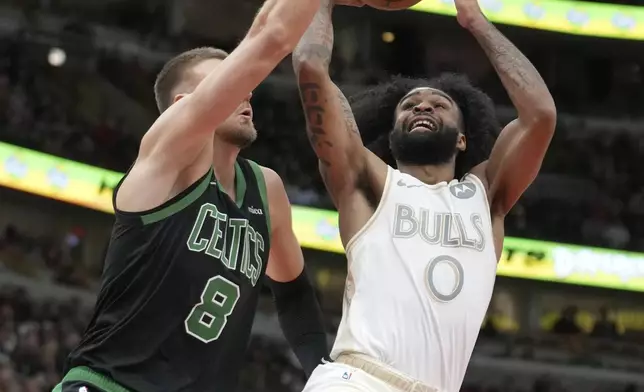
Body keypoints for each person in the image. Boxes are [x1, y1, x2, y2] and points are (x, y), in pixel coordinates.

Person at [53, 0, 329, 391]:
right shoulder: (167, 164)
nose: (247, 91)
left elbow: (295, 293)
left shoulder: (266, 190)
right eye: (227, 84)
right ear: (181, 109)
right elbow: (271, 37)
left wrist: (322, 370)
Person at [292, 0, 556, 390]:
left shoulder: (486, 195)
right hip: (359, 380)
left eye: (440, 104)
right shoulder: (368, 182)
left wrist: (475, 21)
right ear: (393, 137)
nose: (423, 106)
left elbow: (541, 115)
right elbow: (311, 69)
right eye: (409, 105)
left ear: (463, 138)